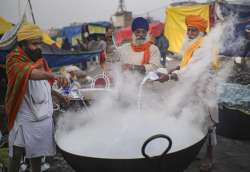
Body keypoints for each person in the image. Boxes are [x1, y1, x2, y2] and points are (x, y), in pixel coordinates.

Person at [5, 22, 69, 172]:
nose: (38, 47)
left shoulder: (39, 60)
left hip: (41, 116)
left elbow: (44, 84)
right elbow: (31, 74)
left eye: (39, 43)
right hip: (23, 117)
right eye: (34, 44)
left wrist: (58, 95)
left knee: (37, 153)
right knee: (16, 152)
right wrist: (53, 74)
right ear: (23, 44)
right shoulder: (13, 59)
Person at [116, 17, 177, 82]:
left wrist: (133, 67)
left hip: (146, 86)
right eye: (138, 32)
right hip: (127, 84)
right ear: (133, 33)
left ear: (147, 33)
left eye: (143, 32)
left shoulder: (153, 49)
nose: (141, 34)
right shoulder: (124, 49)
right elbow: (118, 66)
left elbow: (154, 67)